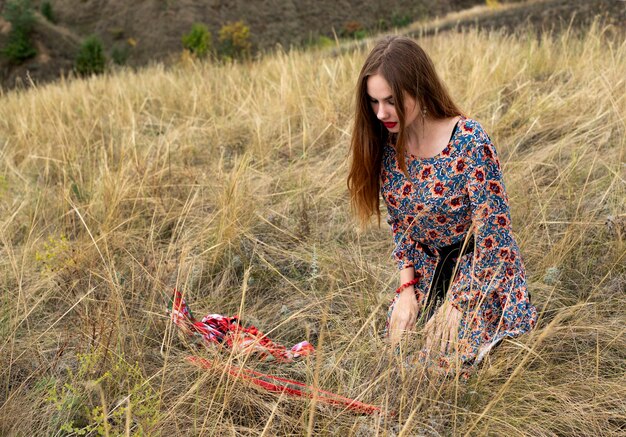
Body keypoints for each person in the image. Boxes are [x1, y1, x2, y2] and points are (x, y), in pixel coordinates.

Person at [347, 35, 537, 371]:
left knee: (441, 359)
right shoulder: (388, 149)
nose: (381, 113)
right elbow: (401, 230)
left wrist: (461, 302)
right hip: (426, 270)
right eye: (374, 102)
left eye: (391, 100)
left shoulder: (468, 141)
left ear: (419, 88)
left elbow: (495, 234)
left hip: (481, 267)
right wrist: (406, 289)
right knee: (397, 349)